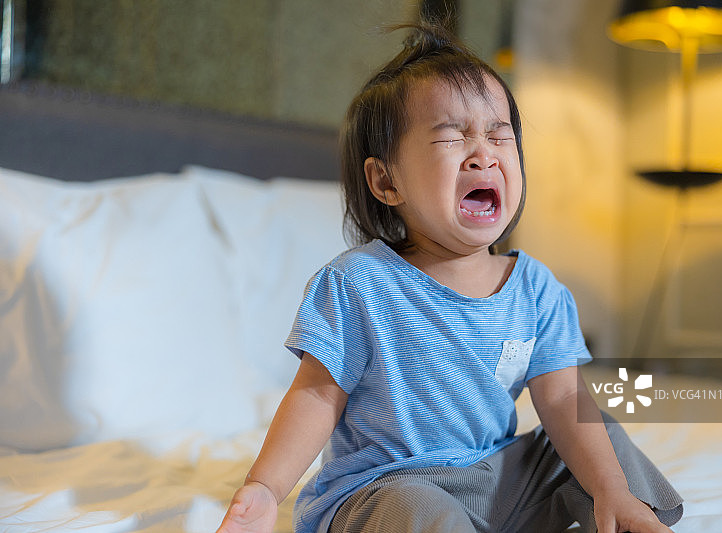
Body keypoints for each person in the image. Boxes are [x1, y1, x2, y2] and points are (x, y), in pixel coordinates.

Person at [217, 22, 683, 533]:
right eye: (452, 137)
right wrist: (264, 490)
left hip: (494, 481)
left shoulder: (536, 289)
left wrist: (610, 488)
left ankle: (625, 518)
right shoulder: (359, 282)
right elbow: (315, 397)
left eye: (499, 136)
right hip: (390, 485)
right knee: (416, 509)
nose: (484, 153)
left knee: (603, 442)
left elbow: (563, 399)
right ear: (386, 181)